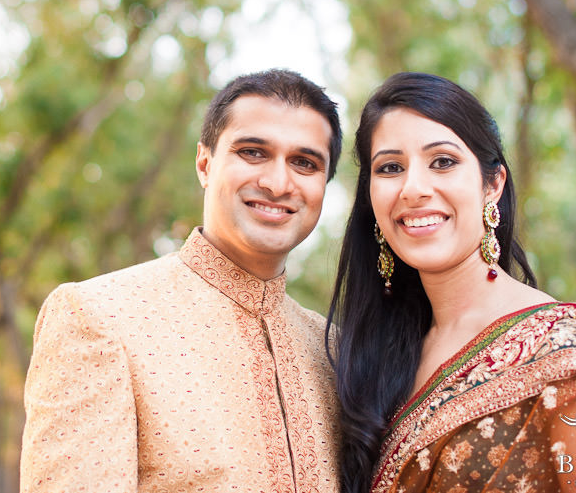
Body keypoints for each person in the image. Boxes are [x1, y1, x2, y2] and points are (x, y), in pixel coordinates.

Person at [327, 72, 576, 493]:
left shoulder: (565, 360)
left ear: (493, 184)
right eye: (391, 168)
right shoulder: (373, 359)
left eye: (443, 162)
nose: (413, 189)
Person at [21, 69, 344, 492]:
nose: (277, 182)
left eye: (304, 162)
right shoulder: (101, 317)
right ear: (205, 164)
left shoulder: (336, 350)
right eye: (252, 152)